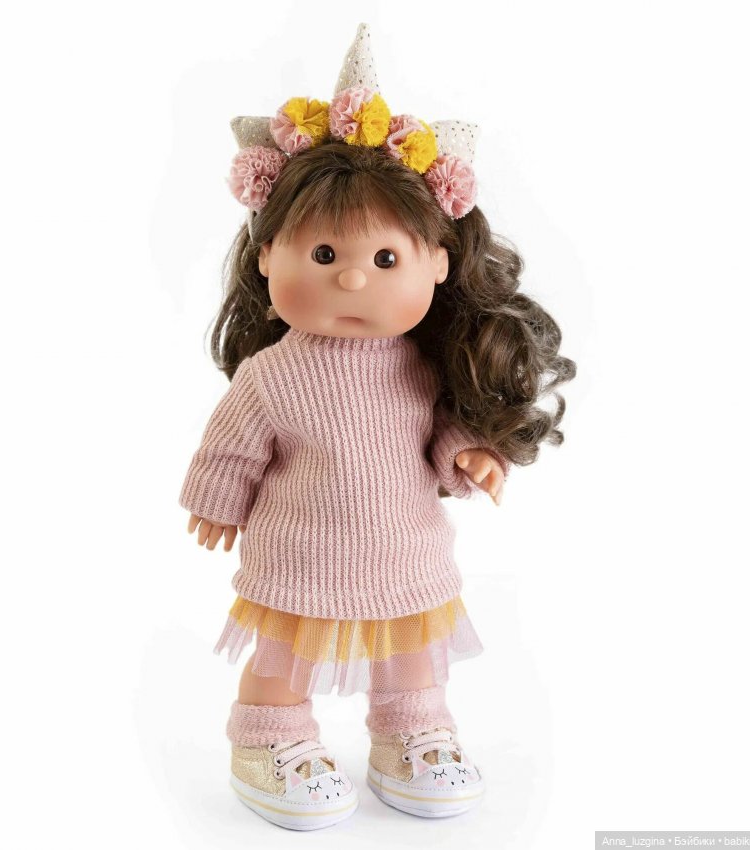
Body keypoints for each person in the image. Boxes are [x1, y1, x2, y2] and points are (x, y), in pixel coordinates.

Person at [179, 22, 576, 830]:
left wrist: (469, 454)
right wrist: (216, 499)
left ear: (439, 261)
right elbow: (230, 446)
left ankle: (410, 736)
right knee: (286, 654)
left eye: (385, 260)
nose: (354, 279)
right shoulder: (272, 374)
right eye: (323, 256)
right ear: (266, 255)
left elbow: (438, 429)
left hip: (405, 552)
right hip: (300, 555)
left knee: (411, 658)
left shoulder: (423, 364)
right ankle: (268, 738)